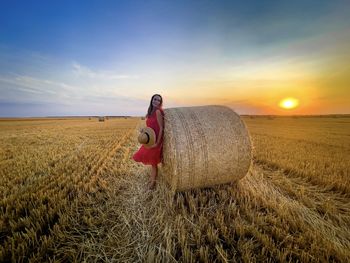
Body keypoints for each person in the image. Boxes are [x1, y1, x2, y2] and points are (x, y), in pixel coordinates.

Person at [132, 94, 164, 189]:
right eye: (155, 99)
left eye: (158, 100)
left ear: (160, 102)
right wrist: (145, 131)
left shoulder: (158, 111)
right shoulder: (149, 113)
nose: (156, 101)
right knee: (150, 160)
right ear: (151, 100)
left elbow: (161, 128)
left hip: (157, 139)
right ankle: (151, 180)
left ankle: (152, 184)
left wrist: (157, 143)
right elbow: (150, 126)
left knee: (153, 163)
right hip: (151, 138)